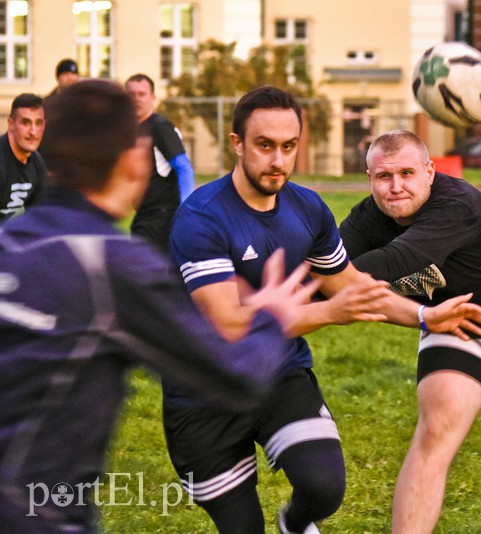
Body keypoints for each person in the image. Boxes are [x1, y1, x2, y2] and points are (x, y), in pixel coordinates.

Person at [0, 80, 323, 533]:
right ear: (133, 160)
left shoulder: (8, 243)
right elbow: (236, 375)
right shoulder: (109, 266)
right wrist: (273, 317)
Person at [167, 86, 481, 534]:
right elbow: (229, 322)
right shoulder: (201, 217)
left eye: (288, 146)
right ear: (237, 143)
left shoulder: (307, 207)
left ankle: (295, 525)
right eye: (264, 146)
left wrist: (422, 315)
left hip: (278, 374)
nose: (278, 160)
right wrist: (331, 313)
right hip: (203, 394)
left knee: (324, 488)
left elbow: (351, 285)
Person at [338, 129, 481, 534]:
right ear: (369, 178)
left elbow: (395, 259)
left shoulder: (457, 204)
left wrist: (324, 274)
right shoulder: (367, 219)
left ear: (430, 172)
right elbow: (329, 262)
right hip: (456, 320)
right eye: (383, 176)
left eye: (407, 173)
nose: (396, 187)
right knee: (436, 428)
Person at [124, 73, 194, 252]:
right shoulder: (131, 129)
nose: (136, 99)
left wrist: (185, 212)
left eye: (142, 94)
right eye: (131, 95)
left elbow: (184, 168)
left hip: (161, 216)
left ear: (153, 97)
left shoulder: (160, 127)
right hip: (144, 215)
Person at [0, 93, 48, 223]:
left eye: (38, 123)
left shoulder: (36, 163)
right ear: (11, 124)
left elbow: (39, 217)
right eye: (25, 123)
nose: (33, 132)